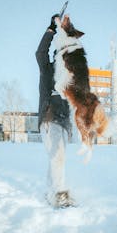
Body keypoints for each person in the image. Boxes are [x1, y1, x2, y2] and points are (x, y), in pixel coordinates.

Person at [36, 14, 74, 208]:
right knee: (57, 156)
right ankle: (59, 195)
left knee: (57, 159)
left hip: (63, 122)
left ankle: (50, 193)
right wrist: (51, 29)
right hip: (49, 117)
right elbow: (40, 53)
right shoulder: (47, 69)